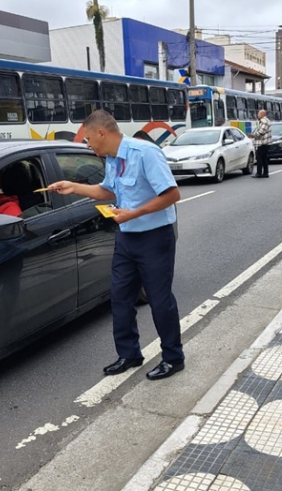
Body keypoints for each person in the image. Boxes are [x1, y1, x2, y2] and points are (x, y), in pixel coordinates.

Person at [47, 110, 184, 381]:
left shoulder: (144, 152)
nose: (87, 145)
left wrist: (133, 213)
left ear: (102, 133)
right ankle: (129, 354)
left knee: (159, 300)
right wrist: (72, 186)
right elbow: (107, 191)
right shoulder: (111, 158)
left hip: (154, 238)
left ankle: (173, 357)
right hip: (126, 237)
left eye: (88, 139)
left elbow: (172, 194)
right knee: (120, 298)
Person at [250, 109, 271, 178]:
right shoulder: (266, 121)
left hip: (262, 143)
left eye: (258, 114)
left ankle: (259, 173)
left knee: (259, 158)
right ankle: (265, 173)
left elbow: (261, 132)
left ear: (262, 115)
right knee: (264, 158)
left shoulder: (263, 121)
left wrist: (252, 135)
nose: (257, 115)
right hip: (266, 143)